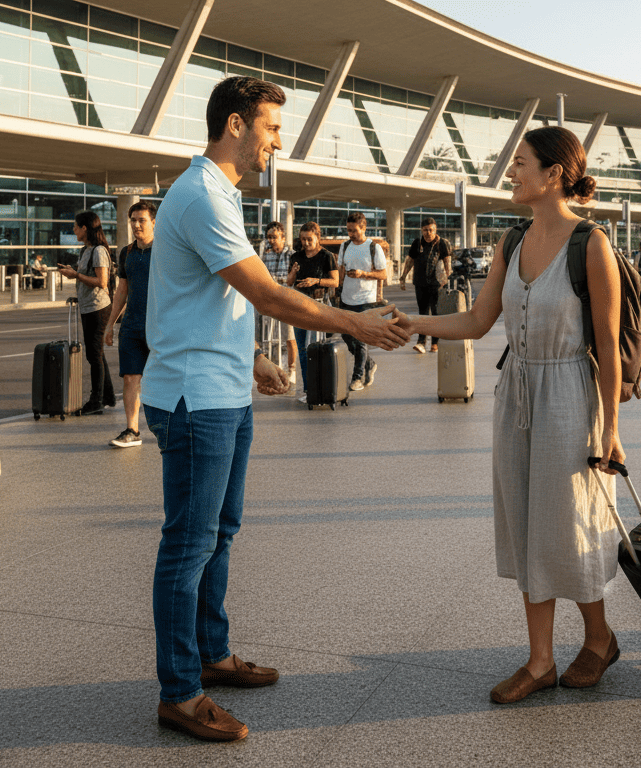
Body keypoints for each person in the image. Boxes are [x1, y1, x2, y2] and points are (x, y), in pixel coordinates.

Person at [140, 75, 408, 743]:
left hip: (222, 389)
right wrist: (353, 323)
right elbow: (264, 293)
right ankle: (180, 692)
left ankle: (213, 653)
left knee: (220, 533)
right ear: (235, 125)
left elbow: (214, 295)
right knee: (189, 544)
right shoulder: (203, 195)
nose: (277, 143)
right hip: (195, 399)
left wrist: (251, 356)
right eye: (271, 128)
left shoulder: (221, 195)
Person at [396, 125, 627, 705]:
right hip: (516, 394)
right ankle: (540, 660)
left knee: (570, 521)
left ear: (554, 174)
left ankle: (599, 639)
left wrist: (610, 431)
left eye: (521, 163)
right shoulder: (511, 240)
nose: (511, 172)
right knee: (525, 521)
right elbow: (478, 321)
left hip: (570, 394)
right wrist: (411, 324)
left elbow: (608, 346)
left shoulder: (591, 244)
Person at [103, 201, 157, 448]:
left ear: (153, 222)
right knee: (130, 378)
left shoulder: (166, 250)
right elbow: (121, 291)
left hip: (161, 327)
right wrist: (110, 324)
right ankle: (132, 429)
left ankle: (171, 425)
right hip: (132, 326)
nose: (136, 225)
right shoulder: (126, 252)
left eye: (141, 220)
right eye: (133, 220)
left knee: (165, 379)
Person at [57, 211, 116, 415]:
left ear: (84, 228)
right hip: (88, 307)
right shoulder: (85, 250)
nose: (73, 230)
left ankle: (96, 401)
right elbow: (85, 276)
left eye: (75, 226)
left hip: (98, 308)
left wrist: (76, 275)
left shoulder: (99, 251)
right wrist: (73, 273)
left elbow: (102, 281)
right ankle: (107, 396)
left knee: (93, 355)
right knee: (96, 353)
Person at [286, 221, 339, 404]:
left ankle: (322, 389)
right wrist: (293, 272)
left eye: (309, 239)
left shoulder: (326, 256)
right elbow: (289, 282)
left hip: (318, 306)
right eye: (303, 239)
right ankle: (309, 390)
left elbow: (335, 281)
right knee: (302, 349)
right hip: (299, 305)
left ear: (318, 238)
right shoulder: (296, 256)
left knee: (317, 348)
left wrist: (315, 281)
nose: (306, 243)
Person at [336, 211, 388, 391]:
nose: (350, 234)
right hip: (346, 298)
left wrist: (363, 274)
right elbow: (341, 270)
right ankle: (370, 364)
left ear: (363, 228)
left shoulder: (374, 247)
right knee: (346, 335)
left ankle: (357, 377)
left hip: (366, 299)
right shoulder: (345, 246)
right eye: (348, 230)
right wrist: (337, 289)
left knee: (360, 338)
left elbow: (383, 274)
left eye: (354, 230)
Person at [398, 217, 453, 354]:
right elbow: (410, 261)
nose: (428, 233)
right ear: (421, 230)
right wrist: (403, 277)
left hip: (437, 285)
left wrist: (447, 280)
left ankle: (435, 343)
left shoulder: (442, 243)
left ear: (435, 229)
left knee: (435, 313)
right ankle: (421, 342)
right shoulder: (417, 243)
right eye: (425, 230)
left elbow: (447, 263)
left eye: (430, 230)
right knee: (422, 313)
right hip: (420, 283)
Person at [258, 221, 298, 385]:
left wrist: (275, 280)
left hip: (287, 300)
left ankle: (292, 369)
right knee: (269, 336)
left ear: (283, 237)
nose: (271, 240)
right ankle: (273, 370)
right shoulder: (266, 255)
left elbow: (292, 280)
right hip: (271, 301)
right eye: (269, 237)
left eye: (274, 237)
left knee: (289, 336)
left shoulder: (292, 255)